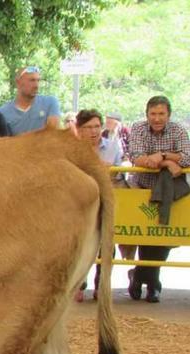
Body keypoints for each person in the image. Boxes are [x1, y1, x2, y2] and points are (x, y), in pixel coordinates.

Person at [127, 95, 190, 303]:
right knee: (146, 236)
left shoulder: (178, 129)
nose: (157, 118)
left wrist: (162, 155)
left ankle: (140, 276)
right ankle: (152, 283)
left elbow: (188, 156)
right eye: (153, 114)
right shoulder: (137, 128)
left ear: (169, 115)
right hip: (142, 187)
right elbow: (136, 156)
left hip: (171, 192)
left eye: (161, 114)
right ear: (147, 115)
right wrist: (168, 161)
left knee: (163, 237)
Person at [73, 109, 125, 302]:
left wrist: (107, 171)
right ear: (79, 130)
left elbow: (120, 173)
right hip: (80, 202)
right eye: (88, 127)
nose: (93, 131)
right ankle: (78, 284)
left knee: (107, 244)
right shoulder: (72, 149)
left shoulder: (113, 146)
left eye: (96, 126)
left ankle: (102, 284)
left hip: (107, 199)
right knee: (80, 244)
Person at [0, 66, 61, 136]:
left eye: (38, 80)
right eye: (32, 80)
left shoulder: (50, 103)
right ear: (18, 83)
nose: (36, 85)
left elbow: (52, 133)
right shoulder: (2, 113)